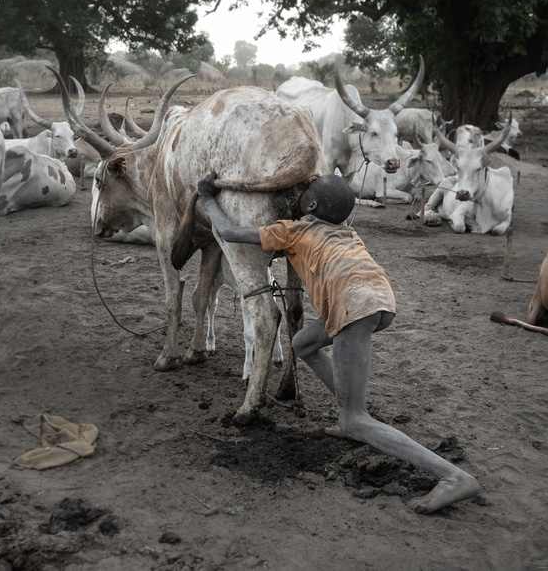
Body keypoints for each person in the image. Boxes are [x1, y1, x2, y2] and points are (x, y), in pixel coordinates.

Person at [197, 171, 480, 514]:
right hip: (378, 298)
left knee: (355, 419)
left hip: (353, 304)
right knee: (303, 343)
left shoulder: (293, 231)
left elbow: (227, 232)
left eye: (303, 195)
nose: (297, 199)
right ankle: (350, 414)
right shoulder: (346, 230)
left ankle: (452, 477)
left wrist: (207, 197)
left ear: (311, 205)